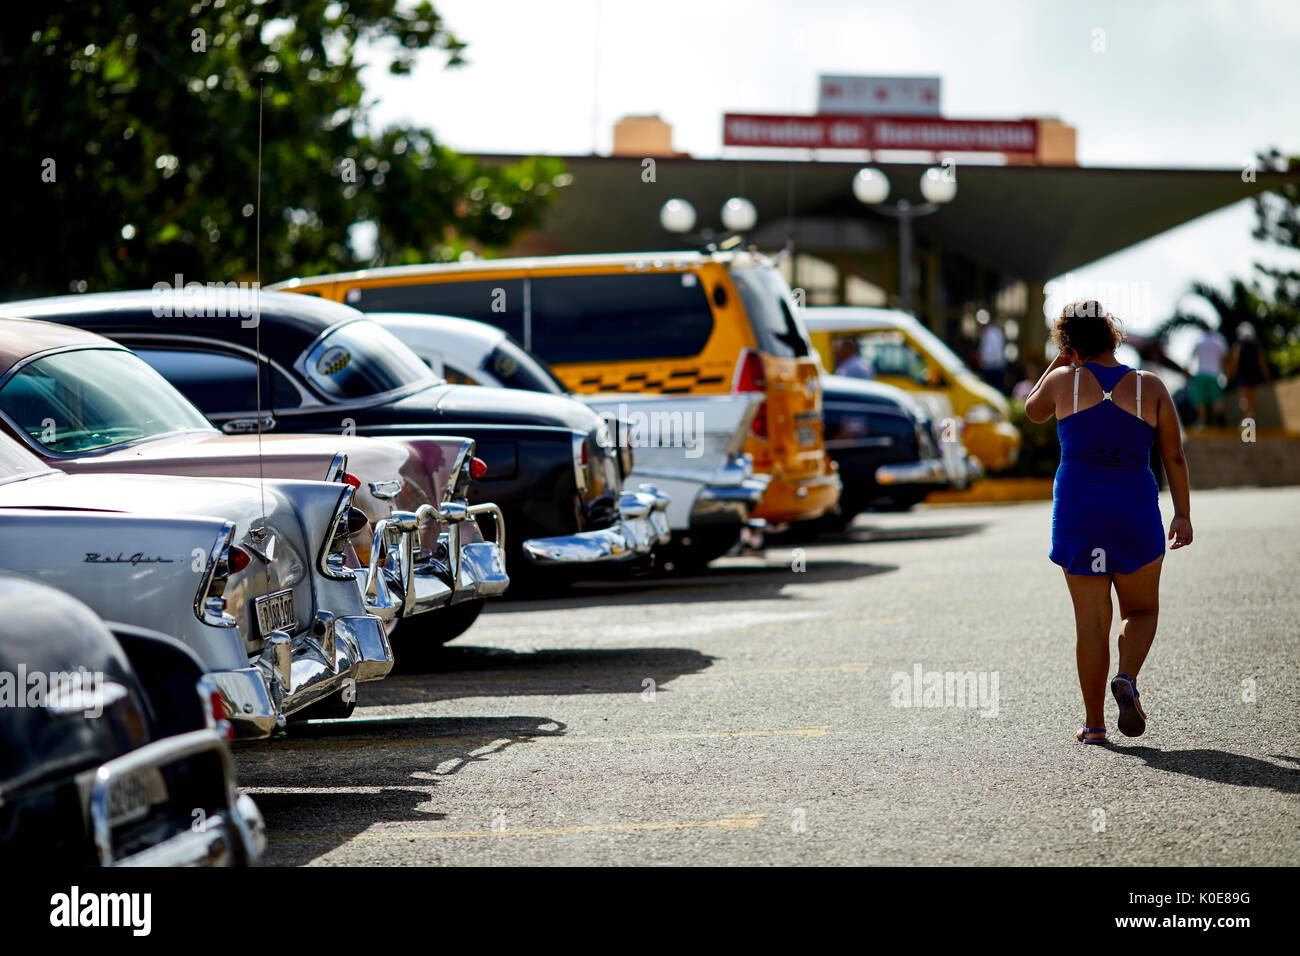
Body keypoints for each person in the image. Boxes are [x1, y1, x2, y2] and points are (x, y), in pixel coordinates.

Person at [1025, 300, 1193, 746]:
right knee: (1141, 611)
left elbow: (1031, 411)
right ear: (1112, 335)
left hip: (1079, 511)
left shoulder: (1062, 381)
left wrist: (1060, 361)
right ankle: (1127, 677)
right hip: (1133, 510)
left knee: (1090, 625)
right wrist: (1182, 513)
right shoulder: (1149, 386)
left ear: (1070, 344)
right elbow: (1173, 456)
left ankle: (1095, 725)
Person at [1225, 321, 1270, 420]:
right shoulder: (1256, 346)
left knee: (1243, 400)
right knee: (1252, 401)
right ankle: (1250, 417)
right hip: (1254, 376)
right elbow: (1262, 363)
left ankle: (1248, 417)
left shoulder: (1238, 345)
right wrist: (1267, 378)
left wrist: (1229, 375)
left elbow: (1235, 361)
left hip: (1243, 376)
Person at [1187, 324, 1229, 426]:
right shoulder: (1219, 339)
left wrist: (1188, 372)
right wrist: (1226, 374)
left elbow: (1192, 358)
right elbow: (1225, 358)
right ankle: (1219, 422)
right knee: (1216, 398)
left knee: (1200, 399)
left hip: (1200, 373)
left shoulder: (1199, 340)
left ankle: (1202, 421)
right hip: (1214, 375)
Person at [976, 310, 1007, 392]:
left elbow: (996, 355)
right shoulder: (986, 334)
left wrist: (983, 361)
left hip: (994, 369)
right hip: (989, 368)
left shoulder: (995, 333)